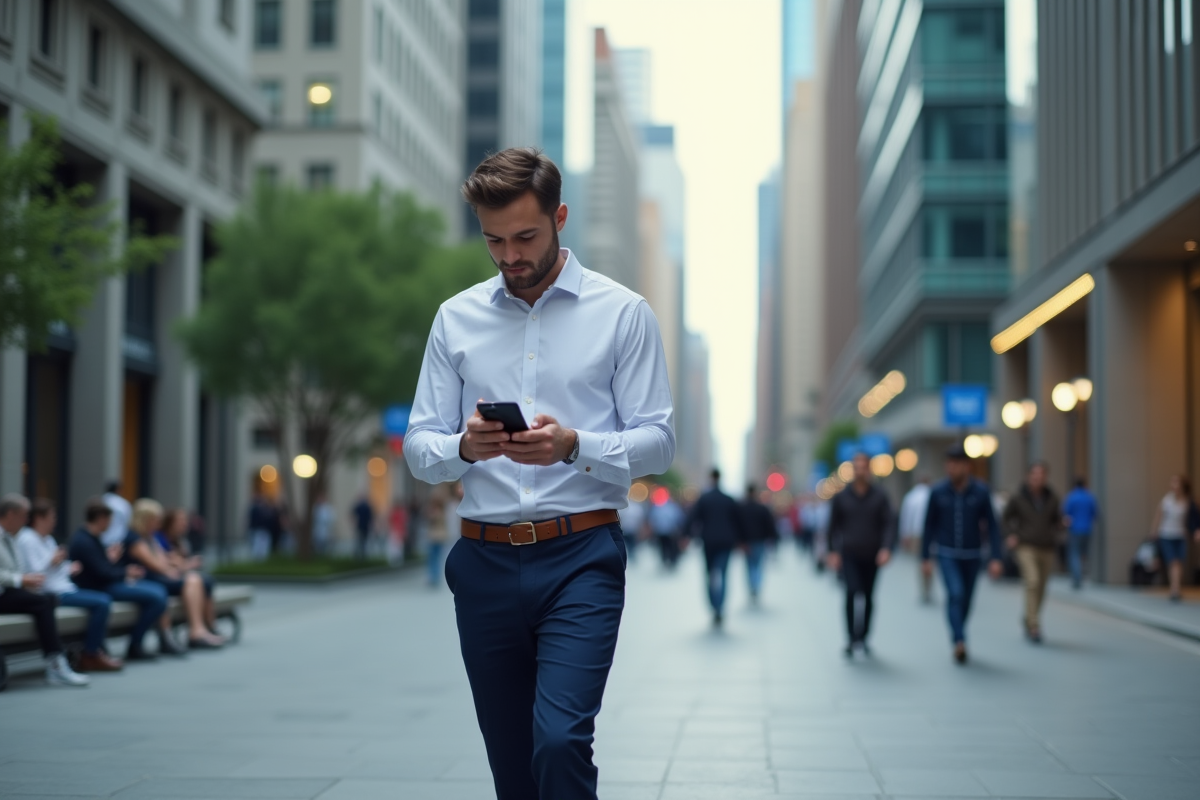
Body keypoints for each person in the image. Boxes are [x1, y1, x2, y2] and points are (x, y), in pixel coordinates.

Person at [404, 147, 674, 800]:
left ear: (560, 217)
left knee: (558, 740)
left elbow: (659, 443)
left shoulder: (623, 313)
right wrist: (466, 447)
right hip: (484, 561)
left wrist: (574, 444)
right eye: (494, 240)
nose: (510, 256)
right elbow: (419, 445)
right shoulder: (456, 318)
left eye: (525, 236)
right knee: (513, 767)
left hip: (582, 556)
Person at [16, 499, 123, 672]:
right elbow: (33, 573)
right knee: (102, 602)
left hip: (64, 587)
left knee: (102, 600)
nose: (54, 522)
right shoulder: (27, 539)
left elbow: (55, 569)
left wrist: (68, 567)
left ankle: (94, 650)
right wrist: (53, 561)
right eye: (51, 518)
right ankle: (90, 654)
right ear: (39, 519)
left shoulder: (48, 539)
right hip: (52, 592)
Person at [921, 445, 1004, 664]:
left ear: (966, 466)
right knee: (955, 594)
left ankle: (959, 630)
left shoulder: (981, 491)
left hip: (973, 554)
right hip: (946, 553)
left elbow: (993, 526)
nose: (951, 468)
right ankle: (959, 641)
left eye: (956, 464)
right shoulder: (938, 492)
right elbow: (928, 526)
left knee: (966, 600)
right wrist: (925, 558)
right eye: (948, 464)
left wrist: (996, 557)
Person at [0, 494, 90, 686]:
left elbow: (19, 570)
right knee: (44, 601)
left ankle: (57, 661)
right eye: (24, 516)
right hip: (5, 592)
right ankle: (57, 663)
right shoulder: (18, 537)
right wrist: (21, 579)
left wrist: (25, 579)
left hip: (8, 592)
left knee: (47, 599)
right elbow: (13, 574)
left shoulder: (12, 537)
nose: (26, 521)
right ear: (10, 514)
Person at [70, 498, 169, 661]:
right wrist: (126, 572)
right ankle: (134, 644)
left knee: (158, 592)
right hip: (100, 587)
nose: (110, 524)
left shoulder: (91, 537)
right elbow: (101, 573)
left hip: (106, 584)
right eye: (109, 520)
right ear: (101, 518)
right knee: (157, 597)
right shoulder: (84, 540)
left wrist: (111, 560)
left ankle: (135, 644)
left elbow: (101, 567)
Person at [123, 499, 223, 650]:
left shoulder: (150, 537)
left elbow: (163, 561)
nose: (158, 525)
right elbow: (156, 565)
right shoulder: (135, 539)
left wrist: (174, 567)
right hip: (147, 578)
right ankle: (196, 631)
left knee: (196, 579)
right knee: (193, 579)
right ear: (145, 520)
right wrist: (176, 569)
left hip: (157, 577)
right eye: (155, 520)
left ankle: (200, 629)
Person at [826, 454, 895, 657]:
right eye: (857, 467)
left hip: (873, 555)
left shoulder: (880, 496)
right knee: (851, 592)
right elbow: (832, 526)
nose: (860, 471)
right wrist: (832, 552)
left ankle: (863, 637)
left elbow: (889, 524)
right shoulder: (842, 497)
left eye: (864, 467)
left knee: (868, 596)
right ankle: (850, 637)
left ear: (869, 470)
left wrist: (886, 548)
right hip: (849, 554)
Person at [1003, 461, 1063, 643]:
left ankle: (1029, 618)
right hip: (1026, 545)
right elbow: (1005, 518)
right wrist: (1011, 535)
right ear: (1029, 477)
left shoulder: (1052, 498)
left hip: (1046, 546)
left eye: (1041, 476)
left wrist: (1062, 524)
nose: (1038, 479)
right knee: (1032, 581)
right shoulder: (1018, 497)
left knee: (1042, 587)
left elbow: (1057, 520)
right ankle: (1035, 625)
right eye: (1034, 475)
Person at [685, 468, 745, 628]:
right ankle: (720, 606)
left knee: (710, 574)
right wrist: (741, 540)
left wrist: (686, 536)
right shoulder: (729, 499)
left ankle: (714, 605)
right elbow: (738, 522)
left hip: (709, 542)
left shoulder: (704, 499)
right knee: (724, 575)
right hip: (726, 542)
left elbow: (693, 518)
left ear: (710, 478)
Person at [156, 507, 224, 640]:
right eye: (181, 521)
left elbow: (177, 561)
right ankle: (200, 628)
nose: (184, 524)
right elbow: (168, 564)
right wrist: (187, 564)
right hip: (165, 577)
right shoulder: (159, 539)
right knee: (199, 580)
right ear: (170, 522)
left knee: (206, 581)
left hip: (175, 574)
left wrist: (183, 563)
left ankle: (208, 625)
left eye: (185, 521)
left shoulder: (178, 539)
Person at [1149, 475, 1199, 602]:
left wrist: (1196, 531)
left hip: (1180, 535)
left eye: (1177, 483)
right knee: (1173, 562)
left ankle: (1175, 588)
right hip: (1166, 535)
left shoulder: (1188, 501)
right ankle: (1175, 589)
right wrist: (1154, 531)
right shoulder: (1167, 500)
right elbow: (1158, 515)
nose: (1174, 485)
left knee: (1178, 563)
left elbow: (1194, 519)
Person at [740, 484, 778, 604]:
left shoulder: (742, 508)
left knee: (750, 565)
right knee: (758, 565)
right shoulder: (762, 508)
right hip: (759, 541)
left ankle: (753, 585)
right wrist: (772, 539)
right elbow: (770, 525)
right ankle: (756, 586)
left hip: (747, 542)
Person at [899, 475, 934, 602]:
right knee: (930, 561)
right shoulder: (932, 494)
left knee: (921, 561)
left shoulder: (911, 496)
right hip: (930, 533)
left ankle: (925, 589)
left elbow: (906, 517)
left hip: (916, 533)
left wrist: (905, 534)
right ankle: (928, 587)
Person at [1062, 477, 1098, 589]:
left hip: (1074, 529)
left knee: (1074, 554)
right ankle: (1085, 575)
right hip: (1087, 529)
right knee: (1085, 554)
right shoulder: (1090, 497)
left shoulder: (1071, 497)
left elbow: (1065, 514)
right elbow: (1095, 513)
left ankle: (1077, 579)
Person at [648, 493, 685, 569]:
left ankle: (666, 560)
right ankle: (668, 561)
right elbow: (680, 519)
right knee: (667, 547)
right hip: (668, 532)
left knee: (664, 547)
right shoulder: (673, 507)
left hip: (664, 532)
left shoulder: (658, 508)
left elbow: (652, 519)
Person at [424, 486, 452, 586]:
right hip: (436, 535)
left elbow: (433, 519)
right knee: (434, 557)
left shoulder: (440, 510)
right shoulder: (441, 509)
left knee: (434, 557)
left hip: (437, 536)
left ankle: (435, 577)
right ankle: (434, 576)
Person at [102, 480, 132, 548]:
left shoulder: (100, 501)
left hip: (100, 540)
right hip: (118, 542)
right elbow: (129, 523)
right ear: (118, 489)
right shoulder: (123, 504)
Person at [352, 495, 374, 561]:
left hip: (361, 526)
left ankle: (359, 554)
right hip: (364, 526)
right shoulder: (367, 507)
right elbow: (371, 518)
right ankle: (362, 554)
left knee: (360, 541)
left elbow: (353, 514)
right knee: (362, 541)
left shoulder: (361, 506)